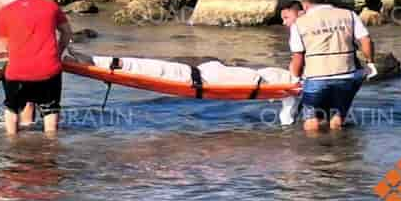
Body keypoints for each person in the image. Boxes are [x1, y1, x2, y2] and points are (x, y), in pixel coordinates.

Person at [65, 51, 300, 126]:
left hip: (197, 75)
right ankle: (94, 60)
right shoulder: (278, 81)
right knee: (147, 68)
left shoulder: (277, 82)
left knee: (147, 68)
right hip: (201, 76)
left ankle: (94, 60)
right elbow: (287, 113)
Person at [289, 0, 376, 132]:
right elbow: (366, 40)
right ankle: (340, 150)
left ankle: (314, 152)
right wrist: (370, 63)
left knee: (312, 120)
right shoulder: (349, 15)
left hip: (316, 77)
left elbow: (298, 56)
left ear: (304, 3)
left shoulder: (299, 23)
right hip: (347, 75)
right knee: (338, 118)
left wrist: (295, 77)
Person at [0, 0, 73, 135]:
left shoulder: (3, 12)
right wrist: (58, 53)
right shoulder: (51, 6)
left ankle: (11, 143)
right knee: (50, 109)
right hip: (48, 69)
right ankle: (50, 146)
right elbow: (66, 33)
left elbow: (5, 43)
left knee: (12, 108)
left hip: (17, 70)